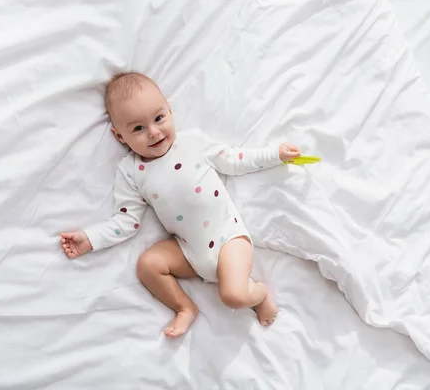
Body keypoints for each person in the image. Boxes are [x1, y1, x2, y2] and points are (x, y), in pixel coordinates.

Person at [60, 72, 301, 337]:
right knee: (147, 265)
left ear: (170, 111)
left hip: (227, 239)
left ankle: (259, 294)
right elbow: (127, 221)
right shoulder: (131, 171)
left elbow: (235, 159)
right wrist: (90, 238)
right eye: (138, 129)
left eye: (159, 118)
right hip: (188, 250)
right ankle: (184, 307)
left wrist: (275, 154)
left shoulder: (192, 142)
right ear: (120, 137)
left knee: (232, 295)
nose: (153, 132)